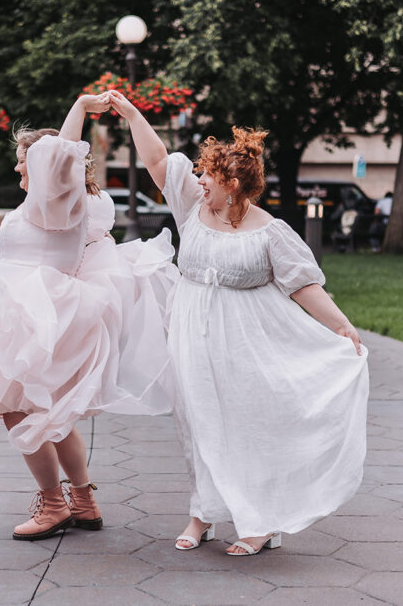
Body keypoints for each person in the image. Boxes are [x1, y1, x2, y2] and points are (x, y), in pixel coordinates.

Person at [108, 90, 369, 556]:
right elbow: (157, 160)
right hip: (190, 334)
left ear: (234, 183)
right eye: (202, 172)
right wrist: (131, 113)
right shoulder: (192, 205)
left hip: (249, 340)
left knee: (248, 423)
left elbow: (304, 286)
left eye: (209, 174)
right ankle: (202, 514)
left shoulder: (270, 231)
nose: (200, 179)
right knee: (197, 423)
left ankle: (259, 522)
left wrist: (341, 326)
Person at [0, 93, 174, 542]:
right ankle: (82, 501)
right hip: (34, 309)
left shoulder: (55, 200)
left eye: (24, 160)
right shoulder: (68, 207)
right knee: (51, 412)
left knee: (15, 406)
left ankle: (52, 505)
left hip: (37, 313)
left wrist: (81, 108)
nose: (17, 168)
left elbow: (61, 155)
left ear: (47, 167)